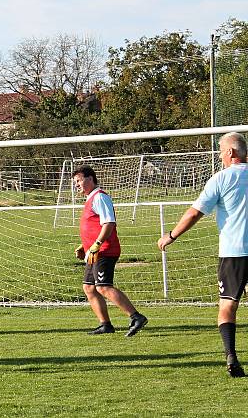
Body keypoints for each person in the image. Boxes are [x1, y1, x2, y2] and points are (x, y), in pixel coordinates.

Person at [158, 132, 248, 378]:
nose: (219, 155)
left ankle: (230, 355)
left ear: (231, 152)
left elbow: (194, 213)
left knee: (228, 306)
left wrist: (171, 235)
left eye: (220, 150)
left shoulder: (221, 178)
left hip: (233, 252)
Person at [73, 165, 148, 337]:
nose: (76, 185)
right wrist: (83, 246)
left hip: (104, 250)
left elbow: (109, 224)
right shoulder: (91, 198)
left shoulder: (100, 197)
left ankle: (136, 317)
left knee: (103, 287)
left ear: (90, 179)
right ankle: (105, 324)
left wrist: (97, 244)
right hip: (94, 251)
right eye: (75, 182)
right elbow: (94, 226)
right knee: (89, 288)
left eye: (79, 180)